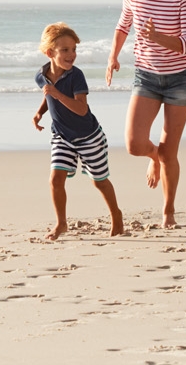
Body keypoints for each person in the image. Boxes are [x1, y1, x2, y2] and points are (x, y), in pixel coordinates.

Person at [104, 0, 186, 230]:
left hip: (180, 79)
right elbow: (123, 25)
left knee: (171, 152)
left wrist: (157, 37)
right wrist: (113, 56)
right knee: (134, 144)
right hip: (146, 75)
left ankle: (168, 211)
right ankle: (154, 157)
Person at [32, 23, 125, 241]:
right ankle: (61, 223)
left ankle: (116, 214)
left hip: (89, 136)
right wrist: (39, 113)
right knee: (55, 179)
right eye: (65, 50)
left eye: (74, 49)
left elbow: (82, 109)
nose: (71, 54)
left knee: (99, 181)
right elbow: (48, 95)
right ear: (50, 53)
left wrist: (57, 94)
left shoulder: (76, 76)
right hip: (62, 136)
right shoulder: (41, 76)